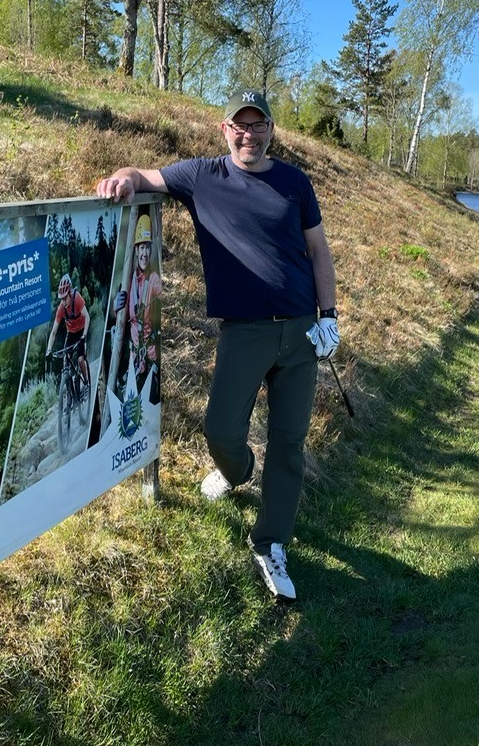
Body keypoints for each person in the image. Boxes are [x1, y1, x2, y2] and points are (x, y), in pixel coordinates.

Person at [97, 88, 339, 601]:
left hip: (299, 332)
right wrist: (124, 176)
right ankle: (238, 472)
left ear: (272, 130)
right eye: (240, 126)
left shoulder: (295, 182)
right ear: (224, 129)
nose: (249, 135)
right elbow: (148, 177)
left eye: (259, 125)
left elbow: (318, 251)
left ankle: (271, 542)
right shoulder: (202, 176)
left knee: (290, 443)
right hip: (243, 331)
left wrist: (329, 316)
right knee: (220, 431)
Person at [113, 211, 162, 394]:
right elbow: (120, 317)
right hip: (134, 362)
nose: (145, 253)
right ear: (135, 250)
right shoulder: (129, 281)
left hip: (151, 362)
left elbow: (163, 295)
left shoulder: (155, 280)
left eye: (147, 248)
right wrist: (115, 306)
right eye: (141, 247)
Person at [46, 273, 91, 392]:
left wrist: (84, 335)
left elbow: (87, 317)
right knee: (66, 360)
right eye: (61, 298)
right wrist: (49, 350)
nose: (63, 301)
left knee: (81, 359)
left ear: (70, 294)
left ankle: (86, 382)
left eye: (65, 297)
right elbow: (54, 331)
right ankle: (70, 398)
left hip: (81, 331)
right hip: (70, 333)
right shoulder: (61, 308)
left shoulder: (77, 299)